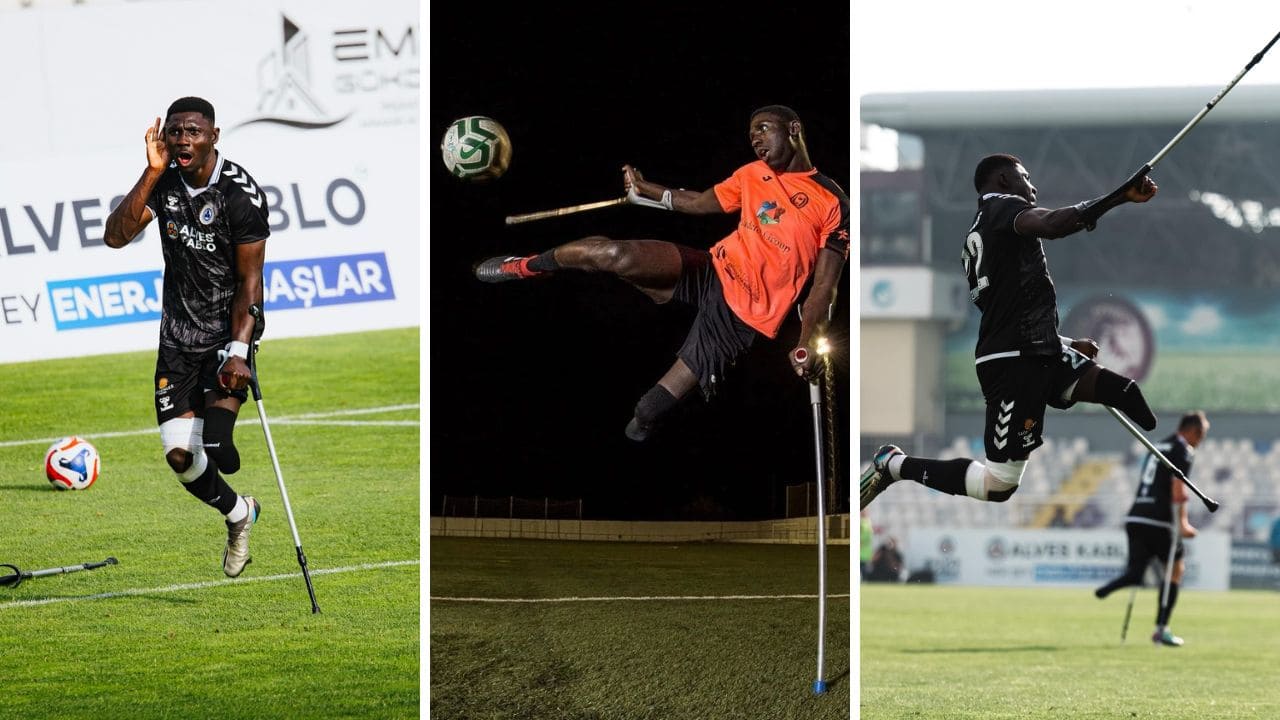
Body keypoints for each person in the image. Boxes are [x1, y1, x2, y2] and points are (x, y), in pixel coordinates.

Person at [474, 105, 849, 441]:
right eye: (751, 133)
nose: (755, 139)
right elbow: (700, 202)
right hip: (713, 267)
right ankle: (523, 267)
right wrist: (646, 189)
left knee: (645, 412)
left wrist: (804, 341)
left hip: (743, 316)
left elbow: (824, 288)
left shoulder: (832, 202)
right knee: (614, 253)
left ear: (794, 128)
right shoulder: (753, 174)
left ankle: (645, 420)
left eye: (763, 128)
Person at [860, 153, 1158, 510]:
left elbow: (1007, 309)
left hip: (1038, 349)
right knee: (998, 486)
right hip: (1013, 365)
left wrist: (1062, 341)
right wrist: (1118, 197)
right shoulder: (1002, 209)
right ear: (1002, 181)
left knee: (1125, 393)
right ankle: (893, 465)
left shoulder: (982, 231)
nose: (1032, 186)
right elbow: (1052, 224)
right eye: (1025, 177)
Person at [103, 97, 268, 577]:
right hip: (176, 336)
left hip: (226, 331)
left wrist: (239, 352)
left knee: (218, 447)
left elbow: (250, 282)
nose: (182, 140)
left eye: (193, 131)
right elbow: (115, 236)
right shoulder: (165, 182)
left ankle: (223, 438)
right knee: (180, 457)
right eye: (175, 131)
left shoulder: (240, 194)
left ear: (214, 135)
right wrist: (151, 173)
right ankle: (240, 515)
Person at [1094, 411, 1208, 647]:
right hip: (1160, 521)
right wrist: (1183, 523)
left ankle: (1110, 587)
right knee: (1175, 570)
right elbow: (1179, 487)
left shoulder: (1158, 445)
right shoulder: (1182, 449)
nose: (1201, 440)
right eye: (1201, 435)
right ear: (1193, 431)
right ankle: (1161, 629)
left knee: (1136, 573)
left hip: (1136, 517)